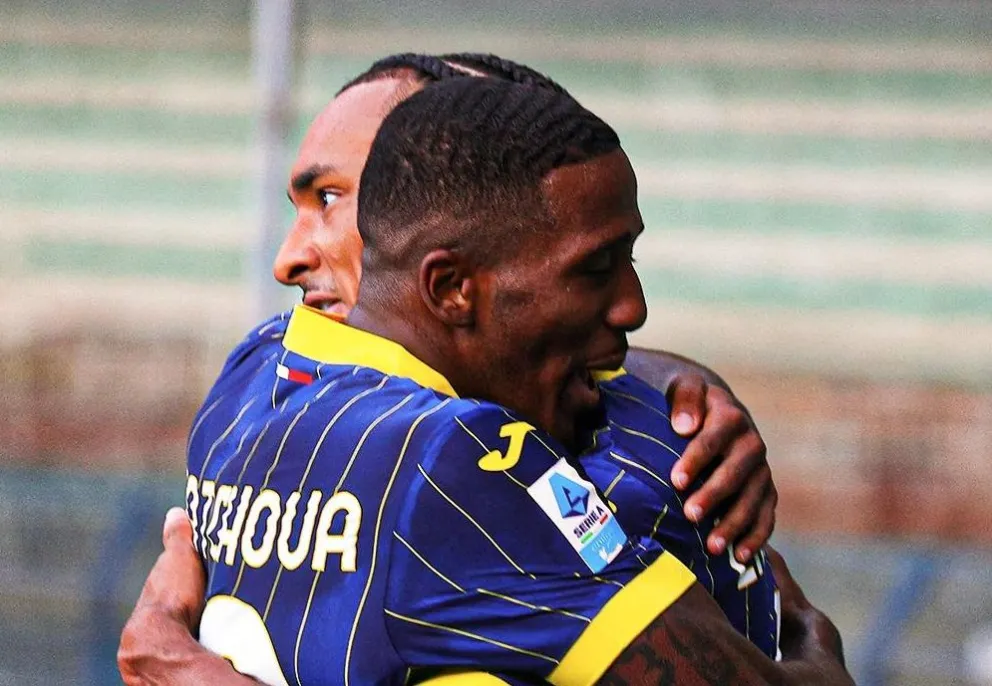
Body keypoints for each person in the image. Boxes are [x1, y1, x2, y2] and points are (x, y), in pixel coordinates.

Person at [123, 77, 850, 685]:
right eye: (597, 268)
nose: (633, 307)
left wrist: (679, 376)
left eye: (334, 199)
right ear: (451, 286)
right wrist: (810, 643)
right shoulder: (459, 461)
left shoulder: (250, 377)